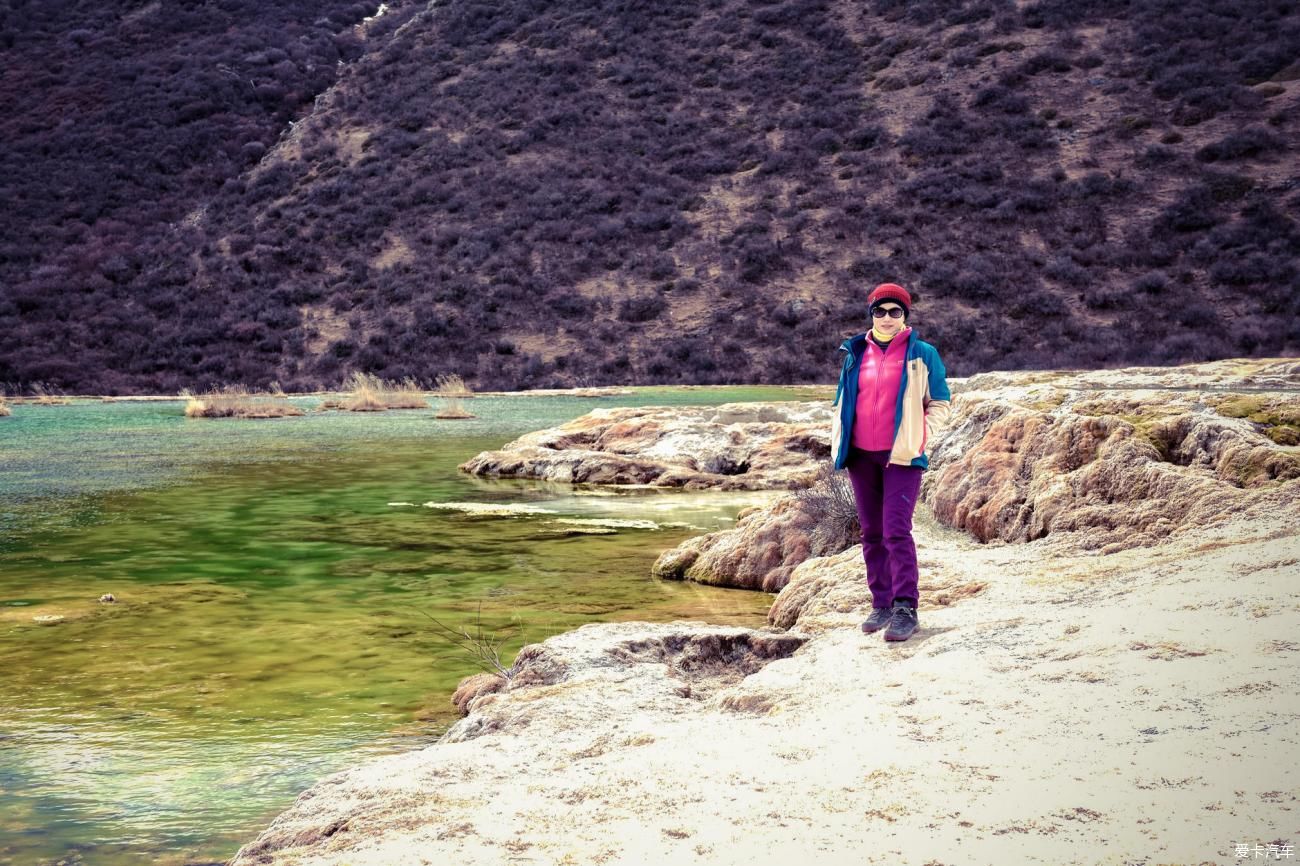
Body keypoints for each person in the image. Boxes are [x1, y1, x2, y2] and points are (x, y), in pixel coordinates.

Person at [830, 283, 951, 642]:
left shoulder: (923, 354)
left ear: (904, 316)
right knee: (871, 532)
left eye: (894, 311)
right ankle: (881, 603)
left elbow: (940, 402)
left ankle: (905, 608)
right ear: (871, 315)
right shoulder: (855, 352)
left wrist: (918, 436)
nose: (886, 318)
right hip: (861, 456)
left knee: (896, 530)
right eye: (880, 311)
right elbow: (843, 399)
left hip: (902, 458)